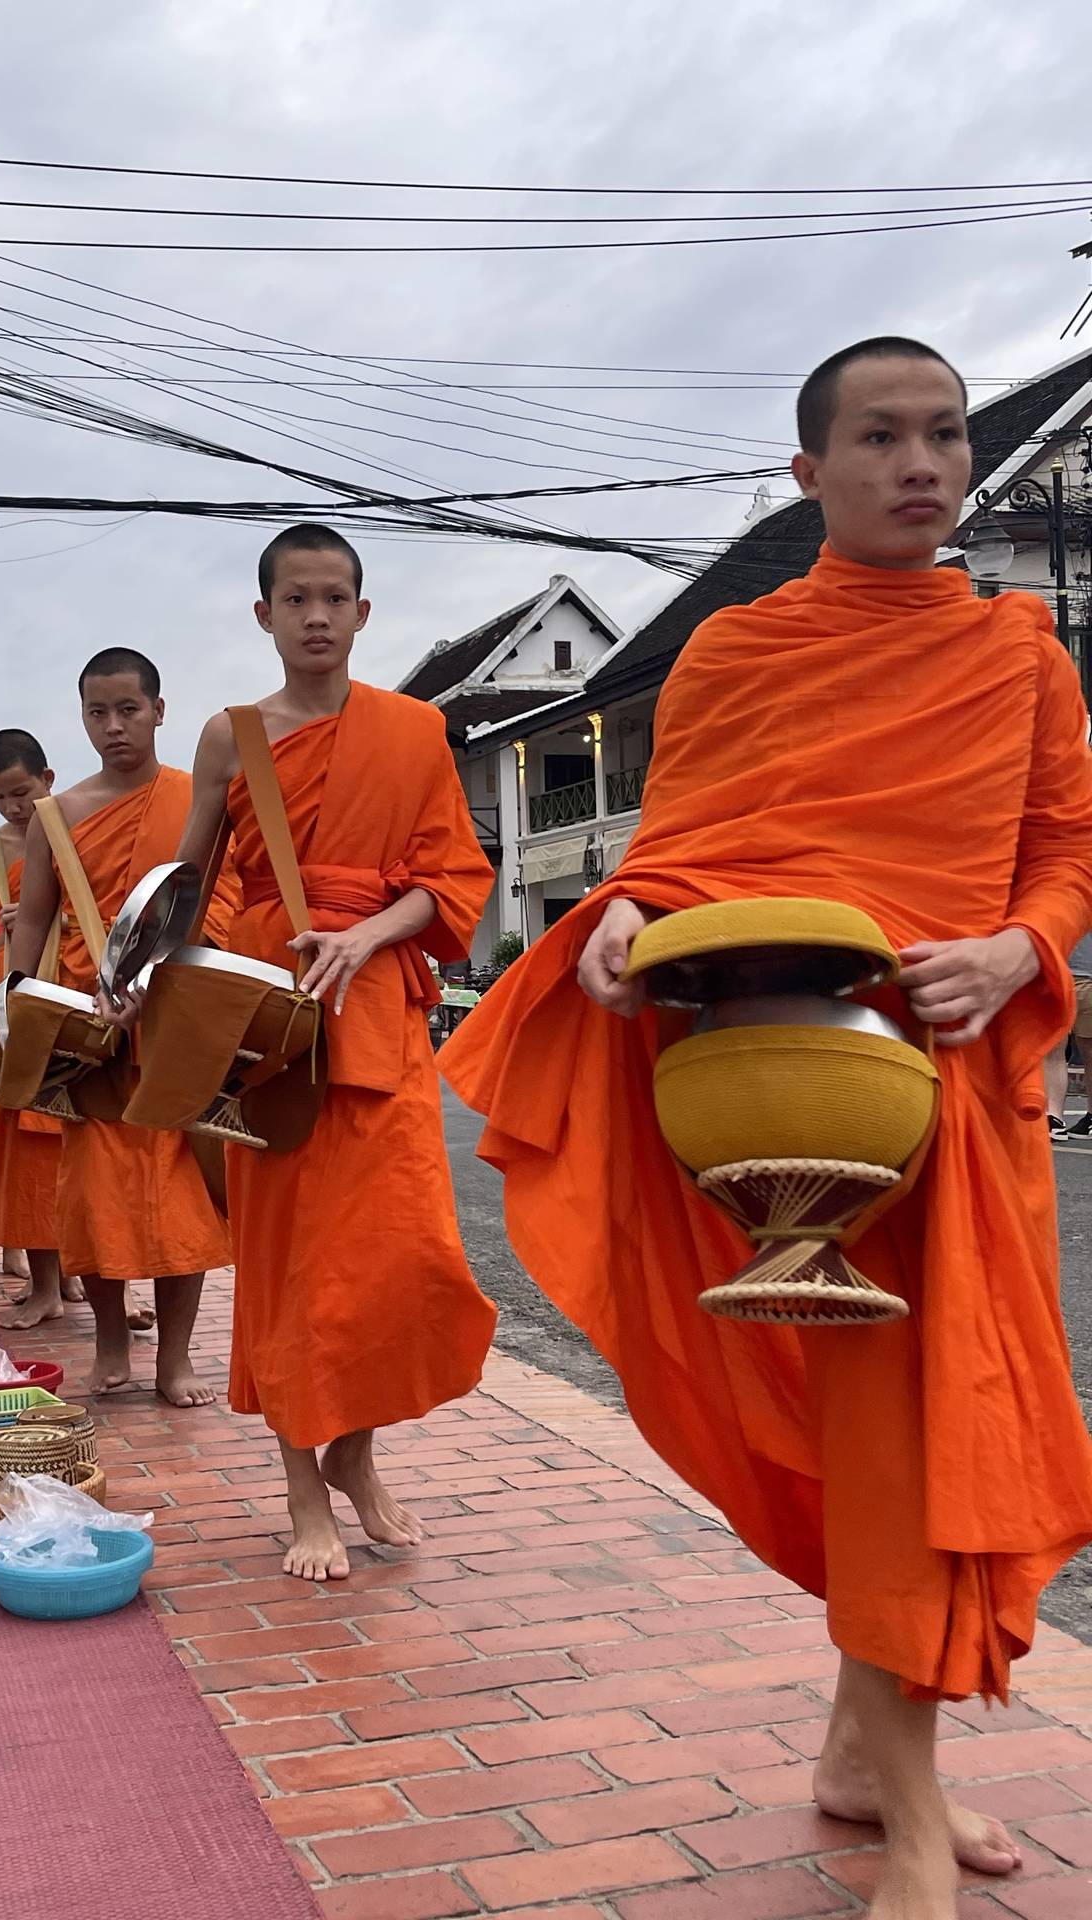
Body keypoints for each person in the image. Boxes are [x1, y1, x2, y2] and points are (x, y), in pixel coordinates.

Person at [440, 339, 1092, 1920]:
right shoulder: (737, 651)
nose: (921, 464)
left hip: (957, 1088)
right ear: (810, 473)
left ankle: (864, 1759)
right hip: (798, 1090)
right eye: (880, 437)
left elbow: (1064, 852)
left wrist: (1020, 952)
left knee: (932, 1431)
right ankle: (911, 1815)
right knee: (887, 1440)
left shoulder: (1020, 652)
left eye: (945, 435)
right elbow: (685, 852)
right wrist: (621, 916)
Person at [146, 524, 497, 1580]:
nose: (315, 616)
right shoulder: (231, 737)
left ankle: (356, 1451)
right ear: (264, 615)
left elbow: (451, 879)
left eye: (334, 598)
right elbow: (186, 883)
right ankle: (305, 1489)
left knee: (400, 1259)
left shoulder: (414, 731)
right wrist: (151, 986)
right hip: (271, 1018)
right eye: (295, 599)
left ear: (362, 612)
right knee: (291, 1266)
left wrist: (368, 933)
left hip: (377, 1002)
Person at [9, 650, 233, 1402]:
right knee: (94, 1195)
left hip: (175, 1018)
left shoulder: (199, 798)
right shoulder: (59, 814)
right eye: (97, 713)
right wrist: (22, 1008)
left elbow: (224, 898)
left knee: (182, 1195)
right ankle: (110, 1342)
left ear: (158, 711)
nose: (114, 727)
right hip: (91, 1028)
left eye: (128, 710)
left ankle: (175, 1357)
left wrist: (160, 973)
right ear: (82, 718)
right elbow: (34, 920)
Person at [0, 728, 78, 1307]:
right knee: (28, 1149)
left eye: (22, 793)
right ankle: (45, 1284)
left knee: (82, 1139)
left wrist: (47, 914)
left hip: (73, 991)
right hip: (14, 1001)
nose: (12, 807)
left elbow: (103, 910)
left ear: (47, 780)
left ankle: (90, 1273)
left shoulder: (78, 826)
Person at [1043, 931, 1092, 1138]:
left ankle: (1056, 1117)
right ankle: (1054, 1117)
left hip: (1076, 975)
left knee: (1081, 1050)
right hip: (1058, 974)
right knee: (1054, 1047)